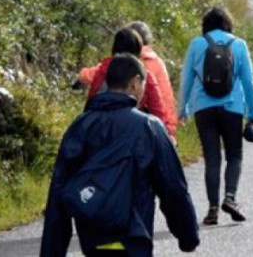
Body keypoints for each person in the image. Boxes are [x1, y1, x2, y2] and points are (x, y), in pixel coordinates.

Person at [41, 54, 200, 256]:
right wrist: (187, 236)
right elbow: (173, 187)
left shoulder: (80, 126)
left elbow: (58, 192)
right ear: (135, 83)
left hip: (93, 242)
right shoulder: (149, 127)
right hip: (134, 240)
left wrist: (52, 252)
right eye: (143, 84)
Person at [179, 7, 253, 226]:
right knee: (234, 155)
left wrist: (183, 108)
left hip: (203, 108)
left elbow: (186, 78)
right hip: (232, 108)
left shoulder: (197, 44)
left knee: (212, 157)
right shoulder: (239, 45)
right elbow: (249, 82)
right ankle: (230, 198)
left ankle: (212, 208)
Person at [78, 28, 175, 138]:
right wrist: (168, 136)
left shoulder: (102, 71)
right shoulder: (145, 76)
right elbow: (158, 112)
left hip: (100, 134)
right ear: (138, 52)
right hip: (135, 136)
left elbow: (91, 102)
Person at [128, 20, 179, 134]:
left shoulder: (124, 61)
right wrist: (170, 125)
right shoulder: (157, 62)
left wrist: (82, 74)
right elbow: (166, 94)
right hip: (160, 123)